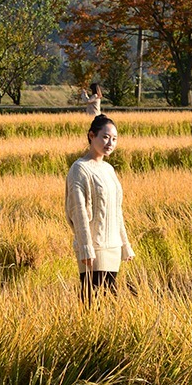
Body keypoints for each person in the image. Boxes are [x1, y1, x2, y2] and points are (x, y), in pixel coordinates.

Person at [66, 113, 135, 304]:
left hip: (113, 247)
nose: (110, 143)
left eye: (114, 139)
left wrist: (125, 244)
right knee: (92, 304)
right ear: (91, 136)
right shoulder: (80, 169)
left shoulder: (109, 170)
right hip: (94, 249)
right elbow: (78, 212)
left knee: (110, 305)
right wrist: (86, 247)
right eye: (105, 137)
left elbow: (116, 211)